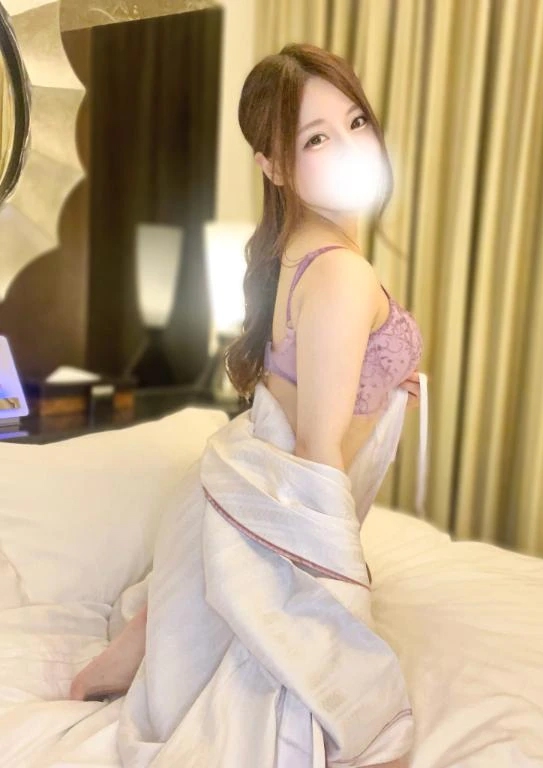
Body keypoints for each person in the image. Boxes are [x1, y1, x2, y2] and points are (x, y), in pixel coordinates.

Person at [70, 42, 423, 768]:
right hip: (274, 505)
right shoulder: (341, 274)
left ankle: (141, 641)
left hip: (241, 485)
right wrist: (341, 619)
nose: (351, 146)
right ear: (275, 167)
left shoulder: (299, 245)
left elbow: (300, 385)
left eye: (356, 121)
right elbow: (317, 457)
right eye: (317, 138)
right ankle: (142, 646)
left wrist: (385, 382)